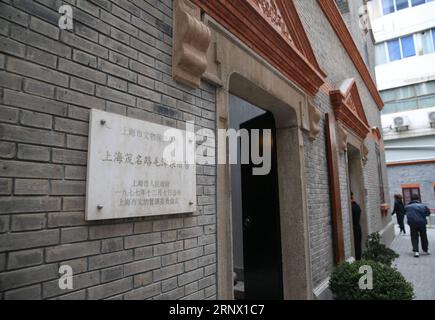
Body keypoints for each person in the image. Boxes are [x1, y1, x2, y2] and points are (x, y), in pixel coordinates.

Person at [405, 194, 431, 258]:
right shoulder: (423, 206)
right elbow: (428, 213)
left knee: (414, 237)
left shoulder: (407, 206)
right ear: (418, 199)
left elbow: (404, 213)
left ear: (411, 199)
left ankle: (416, 251)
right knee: (424, 236)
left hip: (412, 224)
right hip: (422, 223)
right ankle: (425, 250)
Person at [351, 192, 362, 260]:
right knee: (358, 245)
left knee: (356, 245)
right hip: (358, 227)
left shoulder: (351, 207)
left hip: (354, 228)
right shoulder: (357, 206)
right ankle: (359, 260)